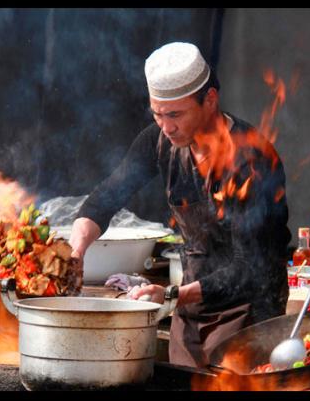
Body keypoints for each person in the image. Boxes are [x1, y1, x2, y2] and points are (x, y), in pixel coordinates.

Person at [68, 42, 292, 368]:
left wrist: (171, 294)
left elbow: (250, 268)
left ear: (210, 101)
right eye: (157, 114)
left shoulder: (250, 160)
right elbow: (106, 197)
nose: (166, 125)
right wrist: (76, 252)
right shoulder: (159, 140)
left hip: (249, 312)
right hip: (191, 309)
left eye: (175, 114)